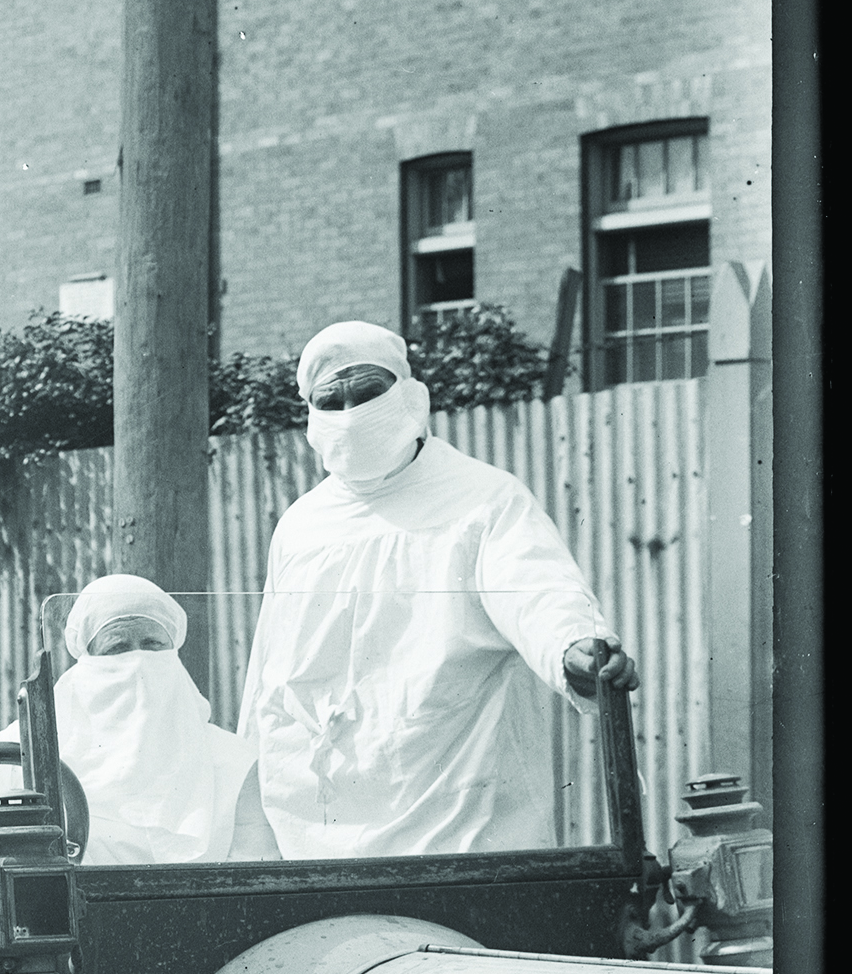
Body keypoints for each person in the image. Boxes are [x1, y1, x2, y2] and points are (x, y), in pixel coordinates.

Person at [239, 321, 635, 857]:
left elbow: (536, 590)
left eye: (367, 392)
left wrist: (572, 648)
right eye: (332, 400)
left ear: (407, 392)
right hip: (314, 830)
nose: (352, 413)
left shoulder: (481, 499)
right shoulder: (301, 526)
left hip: (455, 814)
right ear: (311, 417)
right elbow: (268, 675)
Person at [11, 575, 277, 866]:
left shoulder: (235, 765)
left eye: (152, 645)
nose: (138, 662)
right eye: (117, 649)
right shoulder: (26, 755)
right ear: (86, 661)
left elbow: (255, 875)